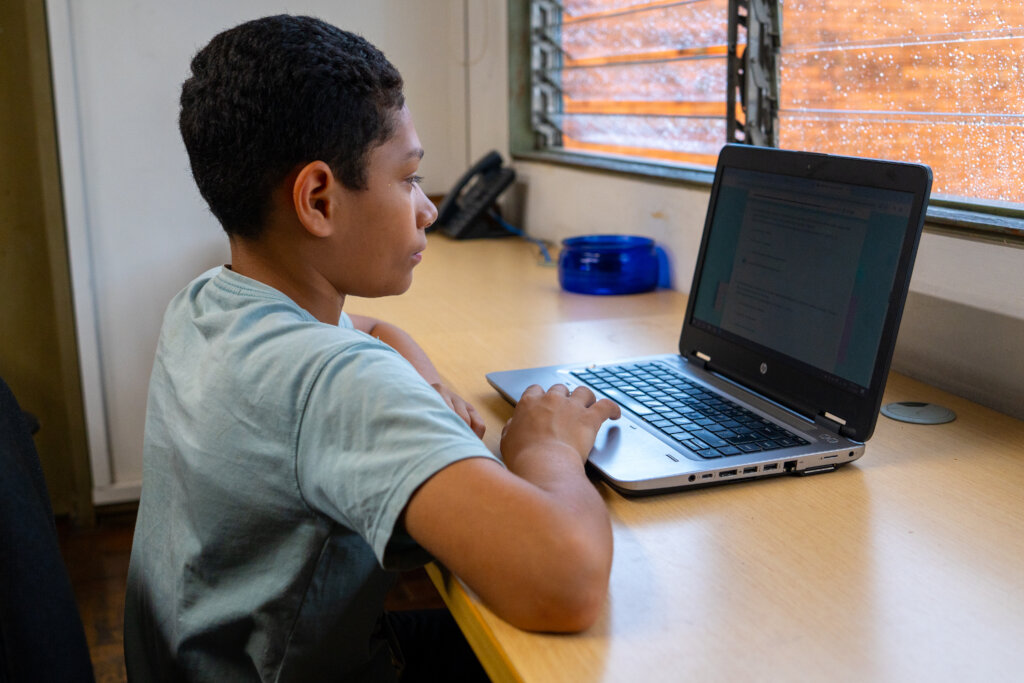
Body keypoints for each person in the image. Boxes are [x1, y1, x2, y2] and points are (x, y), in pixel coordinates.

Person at [123, 14, 620, 682]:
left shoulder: (209, 302)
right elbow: (568, 581)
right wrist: (546, 447)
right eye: (409, 178)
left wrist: (420, 375)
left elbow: (366, 329)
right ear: (318, 199)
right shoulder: (334, 383)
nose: (429, 209)